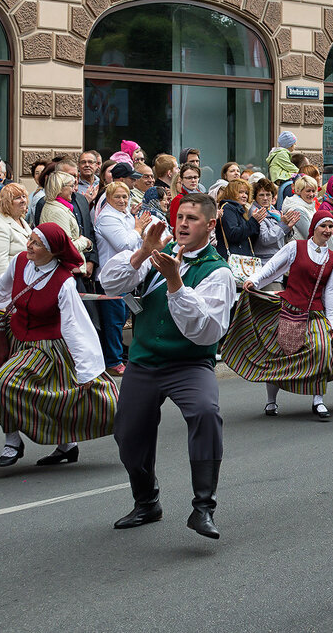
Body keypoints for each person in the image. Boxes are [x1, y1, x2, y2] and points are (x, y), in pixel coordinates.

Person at [99, 193, 235, 538]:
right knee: (129, 434)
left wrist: (175, 281)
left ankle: (203, 508)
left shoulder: (217, 271)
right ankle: (147, 502)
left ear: (210, 224)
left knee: (205, 413)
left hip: (189, 364)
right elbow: (110, 283)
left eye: (192, 218)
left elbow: (205, 332)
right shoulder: (156, 255)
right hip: (144, 363)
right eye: (180, 218)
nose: (183, 224)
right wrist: (143, 251)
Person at [0, 223, 118, 468]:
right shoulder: (19, 262)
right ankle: (31, 442)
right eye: (30, 239)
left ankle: (17, 442)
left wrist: (86, 369)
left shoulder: (63, 282)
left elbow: (74, 326)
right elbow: (1, 287)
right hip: (16, 338)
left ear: (52, 251)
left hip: (46, 348)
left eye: (36, 243)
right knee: (2, 385)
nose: (29, 245)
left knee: (5, 383)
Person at [224, 214, 333, 420]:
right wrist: (255, 280)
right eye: (323, 225)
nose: (327, 230)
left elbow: (332, 293)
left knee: (322, 350)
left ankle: (318, 400)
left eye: (330, 226)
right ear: (313, 227)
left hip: (315, 314)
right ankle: (271, 401)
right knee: (278, 356)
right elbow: (272, 266)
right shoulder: (295, 247)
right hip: (288, 308)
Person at [95, 181, 153, 376]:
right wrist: (138, 228)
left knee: (122, 318)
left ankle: (120, 357)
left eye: (125, 196)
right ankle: (113, 361)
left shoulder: (126, 215)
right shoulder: (107, 218)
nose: (122, 200)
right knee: (114, 321)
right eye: (117, 197)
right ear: (108, 199)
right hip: (112, 278)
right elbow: (124, 244)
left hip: (128, 276)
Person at [39, 170, 93, 265]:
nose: (74, 190)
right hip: (66, 268)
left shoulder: (59, 207)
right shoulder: (57, 212)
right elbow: (66, 248)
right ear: (60, 188)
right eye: (71, 186)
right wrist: (85, 242)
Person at [0, 182, 32, 275]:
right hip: (12, 282)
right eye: (17, 198)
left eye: (24, 196)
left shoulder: (21, 220)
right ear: (7, 202)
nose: (23, 200)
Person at [215, 179, 262, 259]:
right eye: (240, 192)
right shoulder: (228, 208)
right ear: (231, 192)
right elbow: (233, 234)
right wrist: (253, 222)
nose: (245, 196)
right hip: (233, 258)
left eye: (246, 193)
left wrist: (255, 223)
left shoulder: (241, 210)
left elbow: (248, 238)